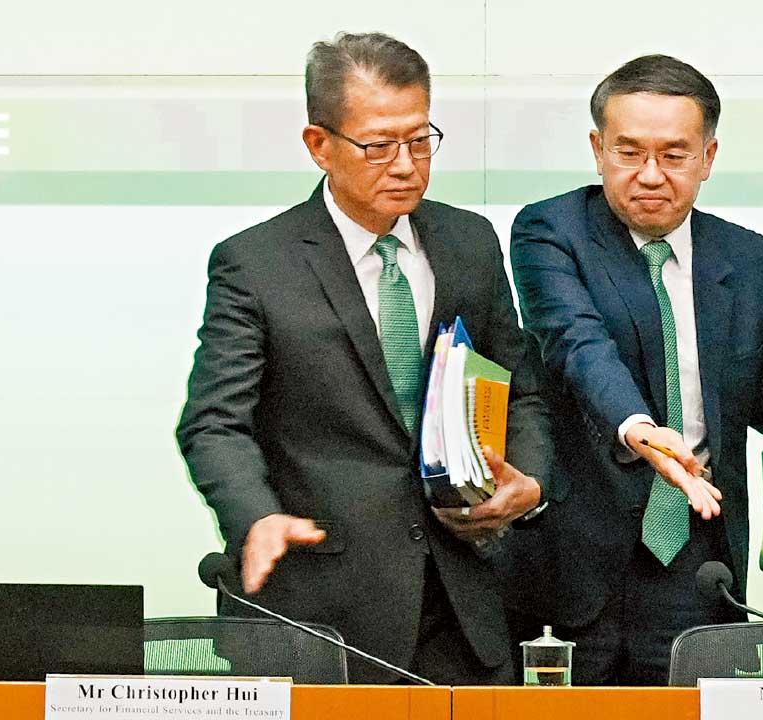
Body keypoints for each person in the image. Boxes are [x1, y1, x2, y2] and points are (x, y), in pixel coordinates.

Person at [176, 32, 550, 685]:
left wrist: (531, 482)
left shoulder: (469, 242)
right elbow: (214, 423)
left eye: (419, 140)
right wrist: (255, 516)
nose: (405, 165)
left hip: (462, 609)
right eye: (379, 146)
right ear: (319, 145)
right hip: (319, 614)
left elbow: (521, 388)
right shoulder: (255, 264)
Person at [503, 54, 763, 685]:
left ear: (708, 157)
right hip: (571, 566)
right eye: (629, 152)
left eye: (674, 155)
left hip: (700, 566)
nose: (650, 175)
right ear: (598, 150)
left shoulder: (753, 261)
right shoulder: (551, 231)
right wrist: (638, 426)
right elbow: (578, 343)